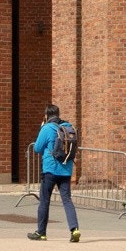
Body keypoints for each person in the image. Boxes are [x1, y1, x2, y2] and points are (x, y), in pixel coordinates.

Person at [28, 103, 80, 243]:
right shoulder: (67, 126)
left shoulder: (47, 128)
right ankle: (74, 229)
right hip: (66, 170)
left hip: (50, 170)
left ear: (46, 115)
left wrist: (42, 128)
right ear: (58, 114)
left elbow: (37, 148)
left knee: (44, 201)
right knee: (67, 200)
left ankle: (41, 233)